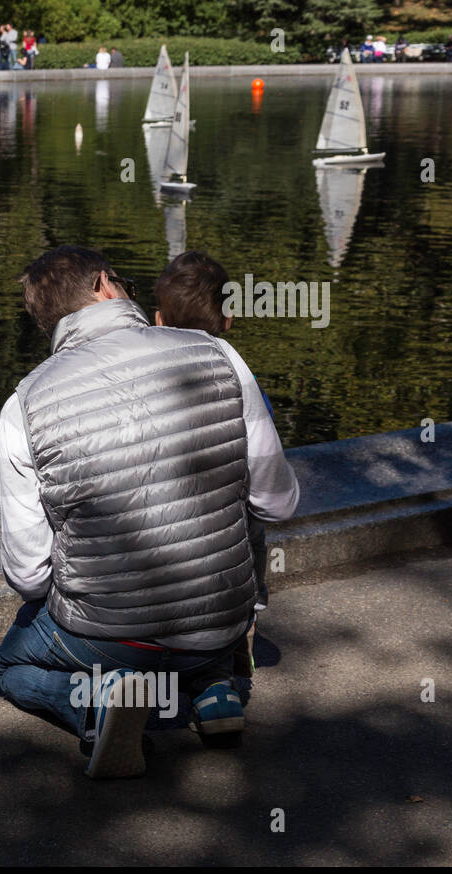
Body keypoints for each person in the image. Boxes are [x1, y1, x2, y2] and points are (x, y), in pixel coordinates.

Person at [0, 246, 299, 779]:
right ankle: (213, 691)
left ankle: (98, 705)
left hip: (116, 641)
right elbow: (277, 502)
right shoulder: (218, 354)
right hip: (220, 624)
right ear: (107, 284)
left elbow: (28, 572)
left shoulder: (24, 404)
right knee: (195, 637)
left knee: (13, 664)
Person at [151, 252, 277, 664]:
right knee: (252, 534)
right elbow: (264, 456)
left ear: (157, 321)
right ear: (228, 319)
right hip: (233, 519)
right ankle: (245, 630)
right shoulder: (243, 377)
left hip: (165, 522)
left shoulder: (147, 375)